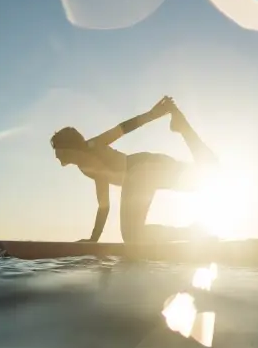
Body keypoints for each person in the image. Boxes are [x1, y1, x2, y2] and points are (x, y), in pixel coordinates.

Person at [50, 96, 219, 244]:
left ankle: (192, 232)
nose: (56, 155)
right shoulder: (85, 166)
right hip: (148, 167)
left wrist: (152, 114)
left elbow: (122, 129)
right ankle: (183, 126)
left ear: (68, 147)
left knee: (132, 237)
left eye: (57, 149)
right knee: (207, 174)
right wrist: (94, 239)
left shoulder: (92, 146)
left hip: (140, 171)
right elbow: (104, 205)